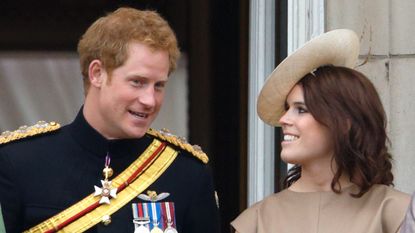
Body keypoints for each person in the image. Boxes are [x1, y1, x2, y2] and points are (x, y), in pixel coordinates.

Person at [0, 7, 220, 233]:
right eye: (137, 82)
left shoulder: (187, 174)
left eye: (159, 86)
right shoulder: (18, 163)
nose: (150, 100)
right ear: (97, 74)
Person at [231, 29, 410, 233]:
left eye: (301, 109)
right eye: (287, 108)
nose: (284, 120)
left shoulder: (395, 213)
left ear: (344, 122)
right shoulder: (256, 221)